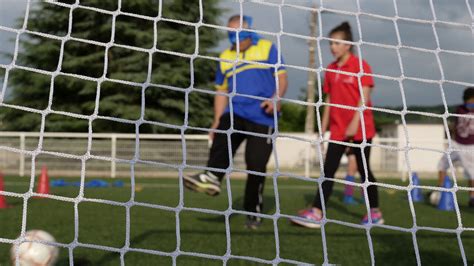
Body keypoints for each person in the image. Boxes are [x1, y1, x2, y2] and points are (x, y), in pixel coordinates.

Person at [184, 15, 288, 229]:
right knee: (223, 130)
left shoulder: (268, 48)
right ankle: (212, 176)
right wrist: (215, 120)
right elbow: (221, 92)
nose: (236, 38)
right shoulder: (224, 57)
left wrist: (276, 97)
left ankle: (253, 212)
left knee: (256, 165)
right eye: (231, 34)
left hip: (262, 116)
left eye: (240, 33)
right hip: (236, 112)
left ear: (250, 31)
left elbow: (282, 77)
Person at [290, 22, 383, 228]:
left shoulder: (361, 66)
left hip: (361, 128)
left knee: (363, 170)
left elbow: (364, 98)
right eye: (331, 43)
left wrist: (354, 124)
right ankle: (316, 211)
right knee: (328, 170)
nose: (333, 47)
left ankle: (375, 212)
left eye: (337, 43)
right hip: (338, 130)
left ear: (348, 44)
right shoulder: (331, 69)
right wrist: (323, 128)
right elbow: (329, 101)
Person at [436, 87, 474, 207]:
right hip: (456, 143)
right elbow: (454, 125)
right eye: (469, 101)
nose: (471, 103)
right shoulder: (459, 109)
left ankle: (472, 197)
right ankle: (440, 191)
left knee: (472, 173)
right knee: (442, 164)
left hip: (470, 146)